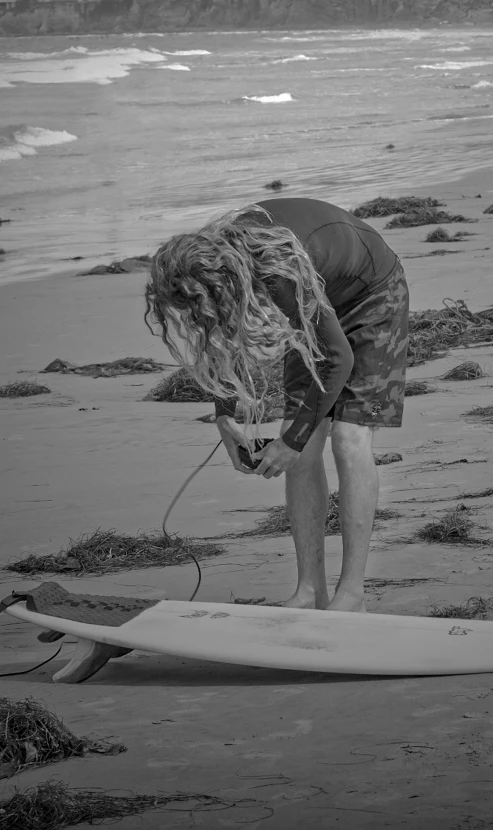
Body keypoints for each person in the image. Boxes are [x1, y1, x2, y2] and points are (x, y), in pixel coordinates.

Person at [145, 197, 409, 612]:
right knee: (300, 446)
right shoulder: (217, 261)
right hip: (316, 295)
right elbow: (223, 334)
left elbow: (340, 358)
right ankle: (310, 591)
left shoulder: (272, 268)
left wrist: (292, 441)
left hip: (371, 292)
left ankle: (351, 595)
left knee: (348, 438)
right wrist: (224, 417)